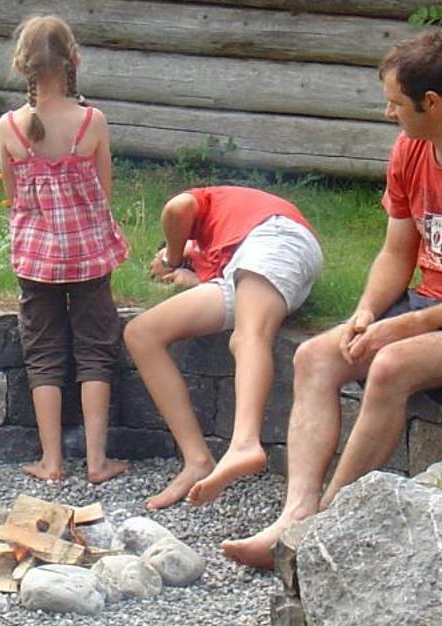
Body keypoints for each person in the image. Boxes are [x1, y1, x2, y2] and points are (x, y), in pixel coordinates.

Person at [221, 30, 442, 568]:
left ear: (431, 103)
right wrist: (367, 311)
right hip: (435, 296)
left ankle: (326, 523)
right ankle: (295, 515)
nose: (387, 112)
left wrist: (400, 327)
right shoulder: (412, 147)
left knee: (388, 365)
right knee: (314, 356)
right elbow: (396, 249)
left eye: (395, 102)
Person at [126, 186, 323, 511]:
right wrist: (192, 275)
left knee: (247, 336)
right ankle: (196, 460)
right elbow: (221, 286)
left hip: (276, 235)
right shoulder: (216, 253)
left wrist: (170, 257)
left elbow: (177, 208)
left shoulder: (211, 203)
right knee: (141, 334)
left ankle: (245, 443)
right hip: (251, 268)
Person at [0, 15, 130, 485]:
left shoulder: (8, 126)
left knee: (44, 353)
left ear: (22, 66)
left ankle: (51, 463)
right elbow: (104, 188)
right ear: (75, 61)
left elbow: (13, 197)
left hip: (36, 259)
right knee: (96, 349)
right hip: (88, 253)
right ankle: (96, 462)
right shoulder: (91, 121)